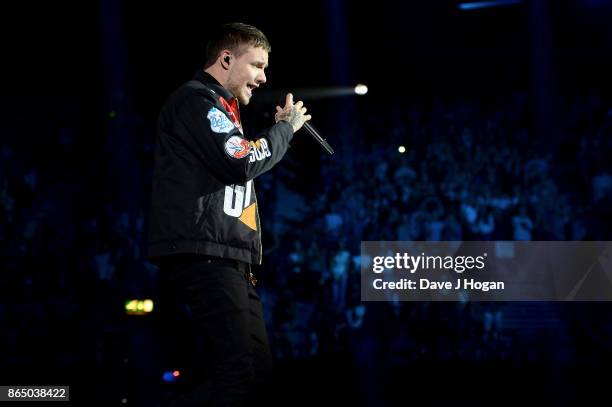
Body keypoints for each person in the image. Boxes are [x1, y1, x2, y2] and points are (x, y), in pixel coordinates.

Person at [147, 22, 311, 406]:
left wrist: (277, 132)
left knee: (255, 374)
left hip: (228, 258)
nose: (263, 77)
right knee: (238, 374)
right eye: (257, 65)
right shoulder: (196, 101)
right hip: (207, 256)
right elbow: (241, 161)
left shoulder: (222, 109)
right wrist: (285, 130)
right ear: (226, 59)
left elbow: (241, 157)